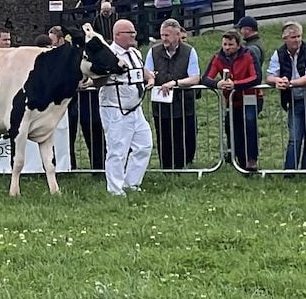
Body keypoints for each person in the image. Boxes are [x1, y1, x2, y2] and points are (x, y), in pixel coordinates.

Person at [98, 19, 153, 196]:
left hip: (135, 108)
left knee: (144, 145)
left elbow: (142, 70)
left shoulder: (135, 53)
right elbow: (98, 79)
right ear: (118, 35)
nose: (133, 35)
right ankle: (115, 189)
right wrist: (111, 72)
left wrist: (150, 78)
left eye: (134, 32)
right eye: (130, 32)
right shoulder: (108, 54)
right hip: (115, 108)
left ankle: (132, 183)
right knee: (117, 149)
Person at [145, 19, 201, 170]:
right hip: (160, 104)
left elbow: (195, 77)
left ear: (177, 35)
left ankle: (183, 165)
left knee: (184, 136)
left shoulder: (190, 51)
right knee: (163, 137)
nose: (164, 38)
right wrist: (150, 80)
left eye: (167, 35)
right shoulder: (153, 51)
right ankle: (166, 168)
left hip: (183, 103)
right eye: (162, 35)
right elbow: (147, 72)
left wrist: (176, 83)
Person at [203, 30, 261, 173]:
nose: (227, 47)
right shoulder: (218, 57)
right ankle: (240, 162)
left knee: (249, 123)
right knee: (233, 129)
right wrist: (218, 84)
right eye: (225, 44)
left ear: (238, 44)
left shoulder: (248, 54)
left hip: (250, 97)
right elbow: (205, 78)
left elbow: (256, 77)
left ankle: (252, 159)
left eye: (230, 44)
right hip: (231, 100)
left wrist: (236, 84)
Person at [267, 22, 306, 171]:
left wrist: (290, 83)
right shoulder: (279, 53)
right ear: (285, 39)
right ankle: (289, 171)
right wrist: (277, 80)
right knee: (294, 138)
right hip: (294, 100)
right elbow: (270, 75)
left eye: (299, 36)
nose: (297, 40)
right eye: (293, 37)